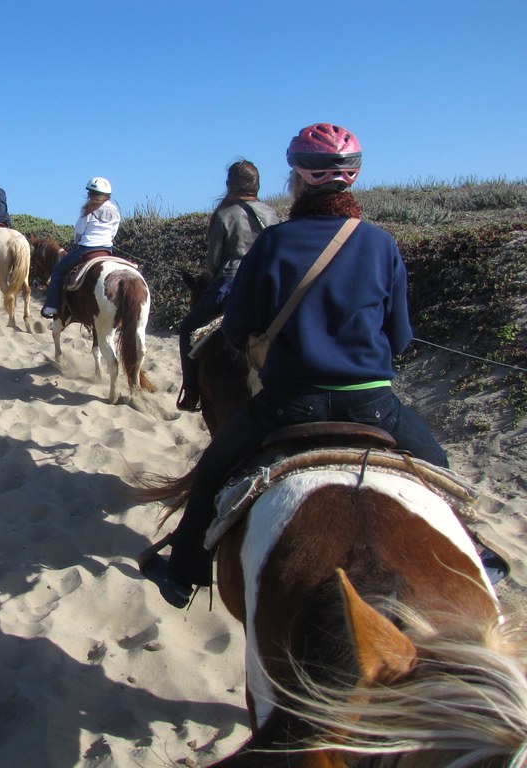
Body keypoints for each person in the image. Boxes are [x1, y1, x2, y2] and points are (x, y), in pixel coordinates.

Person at [143, 122, 449, 608]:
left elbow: (237, 330)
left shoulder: (275, 244)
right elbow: (400, 339)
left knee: (213, 471)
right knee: (440, 469)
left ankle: (183, 574)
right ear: (352, 178)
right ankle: (479, 554)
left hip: (289, 405)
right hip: (373, 406)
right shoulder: (381, 243)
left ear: (299, 179)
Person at [176, 161, 279, 411]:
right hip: (266, 285)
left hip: (231, 283)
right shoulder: (272, 214)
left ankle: (191, 393)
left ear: (229, 185)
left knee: (188, 328)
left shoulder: (224, 215)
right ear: (257, 185)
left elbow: (212, 263)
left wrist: (206, 277)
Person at [41, 177, 121, 318]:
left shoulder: (88, 210)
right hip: (107, 251)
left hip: (87, 249)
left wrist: (78, 239)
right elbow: (114, 232)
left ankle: (51, 306)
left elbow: (78, 231)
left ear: (90, 194)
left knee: (58, 270)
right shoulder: (115, 211)